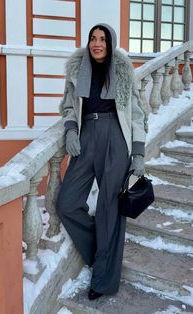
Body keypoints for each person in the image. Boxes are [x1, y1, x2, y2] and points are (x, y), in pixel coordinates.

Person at [56, 23, 147, 300]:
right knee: (67, 204)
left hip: (115, 137)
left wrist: (138, 152)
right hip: (86, 137)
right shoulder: (76, 69)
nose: (97, 44)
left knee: (109, 209)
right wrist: (71, 128)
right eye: (93, 39)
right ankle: (102, 251)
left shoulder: (121, 70)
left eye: (102, 39)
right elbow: (68, 105)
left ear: (110, 43)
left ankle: (104, 279)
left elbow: (136, 111)